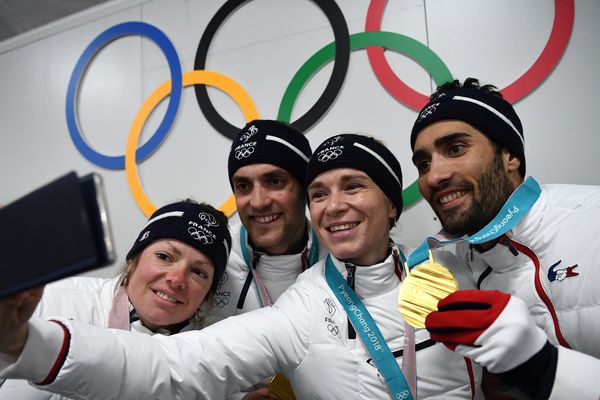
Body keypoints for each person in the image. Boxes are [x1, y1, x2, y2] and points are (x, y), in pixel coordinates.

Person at [0, 134, 483, 399]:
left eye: (353, 186)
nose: (333, 206)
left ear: (393, 205)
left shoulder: (454, 266)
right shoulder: (301, 306)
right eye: (320, 193)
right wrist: (26, 344)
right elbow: (176, 364)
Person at [409, 78, 600, 399]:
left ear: (510, 154)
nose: (434, 176)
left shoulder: (592, 219)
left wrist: (545, 367)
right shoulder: (446, 270)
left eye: (455, 148)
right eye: (423, 163)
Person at [0, 199, 231, 399]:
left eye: (199, 272)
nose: (177, 279)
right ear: (133, 261)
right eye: (164, 256)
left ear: (207, 295)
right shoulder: (50, 300)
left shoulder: (201, 366)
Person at [209, 119, 326, 399]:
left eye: (275, 181)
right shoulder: (211, 258)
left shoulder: (339, 254)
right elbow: (173, 356)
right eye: (244, 186)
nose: (258, 201)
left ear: (305, 189)